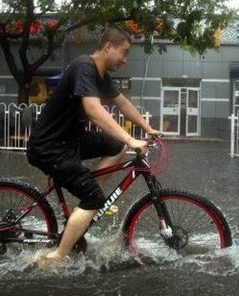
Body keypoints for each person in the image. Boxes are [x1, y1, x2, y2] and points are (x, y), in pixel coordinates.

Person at [26, 26, 159, 263]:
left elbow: (124, 104)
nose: (125, 60)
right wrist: (131, 139)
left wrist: (148, 129)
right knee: (94, 198)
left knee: (116, 146)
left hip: (70, 140)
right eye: (124, 52)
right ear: (108, 47)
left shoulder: (101, 75)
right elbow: (93, 110)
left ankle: (87, 205)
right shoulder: (84, 67)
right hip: (50, 146)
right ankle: (56, 257)